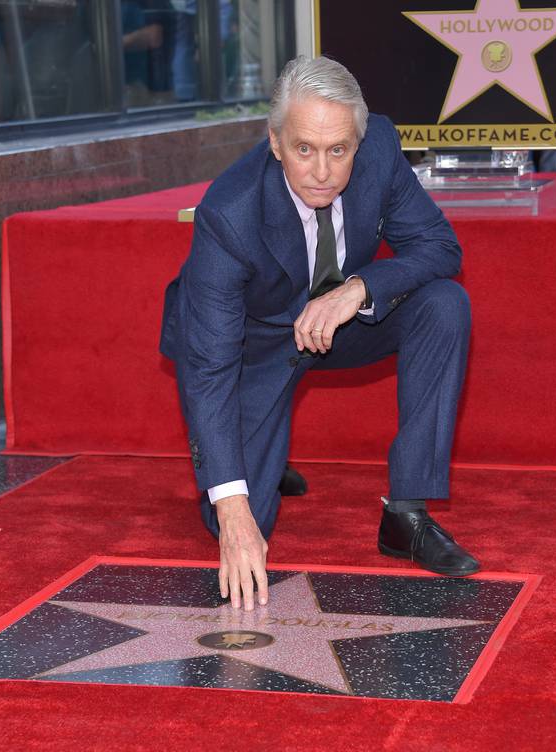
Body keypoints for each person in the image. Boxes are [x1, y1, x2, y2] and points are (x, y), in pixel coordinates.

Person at [160, 56, 479, 612]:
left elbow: (440, 247)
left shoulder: (378, 150)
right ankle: (261, 444)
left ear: (358, 139)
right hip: (248, 346)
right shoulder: (229, 213)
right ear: (276, 142)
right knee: (232, 519)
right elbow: (209, 372)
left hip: (338, 323)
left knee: (443, 304)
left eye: (339, 150)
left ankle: (407, 515)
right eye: (304, 149)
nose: (323, 171)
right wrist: (234, 513)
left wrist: (357, 288)